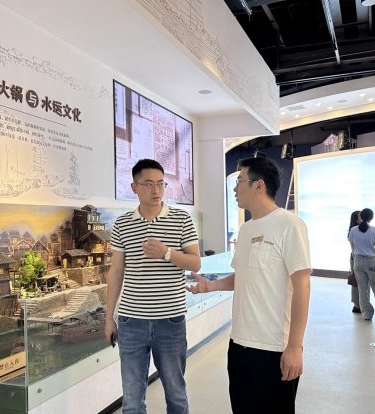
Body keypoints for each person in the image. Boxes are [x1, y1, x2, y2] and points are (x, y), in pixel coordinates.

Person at [186, 157, 311, 414]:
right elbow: (243, 276)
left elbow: (302, 285)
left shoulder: (289, 225)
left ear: (259, 185)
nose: (235, 188)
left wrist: (295, 347)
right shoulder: (245, 230)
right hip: (239, 344)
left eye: (240, 181)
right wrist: (211, 286)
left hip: (274, 348)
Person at [104, 159, 201, 414]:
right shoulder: (123, 224)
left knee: (176, 395)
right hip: (131, 321)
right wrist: (109, 318)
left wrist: (166, 253)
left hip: (170, 320)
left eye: (161, 184)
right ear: (134, 187)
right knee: (132, 400)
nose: (156, 190)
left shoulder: (181, 219)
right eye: (148, 184)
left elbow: (195, 262)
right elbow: (116, 272)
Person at [348, 208, 375, 321]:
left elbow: (353, 247)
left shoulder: (353, 230)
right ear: (371, 218)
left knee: (362, 289)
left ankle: (366, 314)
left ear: (361, 216)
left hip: (358, 261)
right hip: (371, 261)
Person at [348, 210, 362, 313]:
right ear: (356, 220)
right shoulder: (354, 231)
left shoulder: (355, 231)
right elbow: (354, 249)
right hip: (356, 257)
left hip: (356, 257)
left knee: (358, 281)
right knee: (356, 281)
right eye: (361, 216)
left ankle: (358, 305)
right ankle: (357, 305)